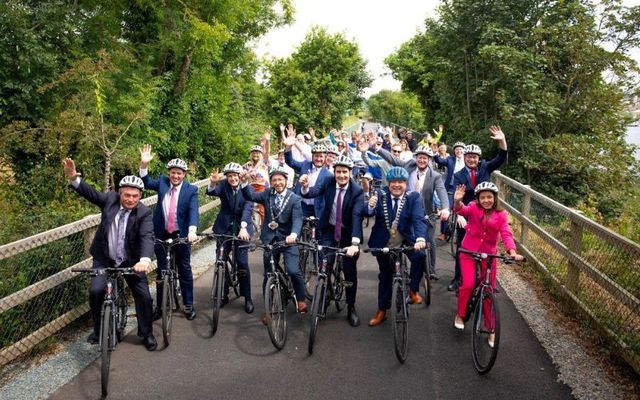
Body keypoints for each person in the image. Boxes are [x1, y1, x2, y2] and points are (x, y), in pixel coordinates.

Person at [63, 158, 157, 351]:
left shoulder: (144, 213)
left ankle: (146, 333)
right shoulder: (110, 200)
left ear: (140, 196)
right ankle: (99, 330)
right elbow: (90, 193)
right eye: (127, 195)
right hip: (104, 257)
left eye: (135, 196)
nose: (130, 199)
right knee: (96, 291)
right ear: (119, 193)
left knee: (144, 297)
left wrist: (145, 260)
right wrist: (74, 179)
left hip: (131, 261)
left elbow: (147, 237)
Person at [452, 182, 524, 346]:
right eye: (482, 197)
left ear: (495, 198)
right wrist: (457, 201)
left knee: (489, 290)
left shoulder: (502, 215)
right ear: (478, 199)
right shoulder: (473, 207)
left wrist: (512, 252)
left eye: (489, 197)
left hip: (489, 254)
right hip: (468, 251)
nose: (486, 200)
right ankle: (461, 314)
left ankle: (491, 328)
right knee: (468, 284)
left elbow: (506, 233)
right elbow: (461, 210)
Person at [300, 155, 364, 327]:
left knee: (350, 272)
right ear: (334, 172)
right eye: (338, 172)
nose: (341, 175)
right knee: (324, 264)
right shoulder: (328, 182)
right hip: (328, 229)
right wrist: (305, 187)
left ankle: (351, 307)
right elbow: (313, 192)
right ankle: (325, 293)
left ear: (350, 173)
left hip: (348, 234)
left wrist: (354, 244)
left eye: (345, 172)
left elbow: (357, 217)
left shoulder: (356, 191)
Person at [374, 143, 450, 287]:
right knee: (404, 240)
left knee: (429, 240)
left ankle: (431, 270)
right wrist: (377, 148)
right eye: (420, 157)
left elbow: (442, 192)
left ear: (429, 160)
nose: (422, 160)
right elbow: (393, 159)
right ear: (416, 158)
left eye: (425, 158)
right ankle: (399, 268)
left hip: (427, 213)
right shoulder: (408, 166)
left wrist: (445, 208)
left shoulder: (435, 176)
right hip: (407, 212)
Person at [138, 145, 198, 321]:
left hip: (181, 235)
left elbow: (193, 211)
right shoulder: (163, 182)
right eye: (173, 172)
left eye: (179, 173)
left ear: (184, 175)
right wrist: (143, 165)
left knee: (184, 269)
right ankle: (160, 305)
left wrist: (192, 230)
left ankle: (188, 304)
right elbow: (146, 182)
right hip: (161, 234)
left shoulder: (191, 190)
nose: (175, 176)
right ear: (169, 173)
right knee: (161, 272)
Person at [240, 166, 308, 321]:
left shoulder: (294, 198)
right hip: (270, 240)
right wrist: (244, 182)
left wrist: (294, 234)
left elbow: (298, 219)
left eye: (280, 180)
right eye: (274, 180)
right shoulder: (267, 194)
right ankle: (269, 309)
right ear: (270, 182)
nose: (277, 183)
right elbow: (250, 195)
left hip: (288, 240)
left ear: (286, 181)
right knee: (269, 274)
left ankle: (301, 298)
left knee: (292, 270)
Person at [449, 126, 509, 291]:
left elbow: (501, 158)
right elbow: (455, 196)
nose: (472, 160)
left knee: (487, 246)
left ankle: (486, 281)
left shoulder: (485, 167)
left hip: (485, 214)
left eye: (475, 157)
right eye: (469, 157)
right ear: (465, 158)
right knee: (462, 247)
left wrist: (502, 140)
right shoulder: (459, 175)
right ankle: (458, 278)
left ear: (478, 158)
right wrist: (458, 214)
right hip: (466, 213)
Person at [365, 167, 427, 327]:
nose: (397, 185)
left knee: (420, 256)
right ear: (388, 183)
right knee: (385, 276)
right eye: (393, 182)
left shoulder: (413, 197)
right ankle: (382, 311)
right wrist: (370, 206)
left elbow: (419, 218)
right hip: (383, 242)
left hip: (406, 239)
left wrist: (420, 238)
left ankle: (413, 290)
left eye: (400, 182)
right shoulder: (379, 194)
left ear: (406, 183)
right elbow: (367, 212)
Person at [206, 162, 255, 313]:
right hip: (224, 226)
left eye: (235, 176)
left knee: (242, 263)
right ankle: (223, 293)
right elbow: (211, 192)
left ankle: (247, 297)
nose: (233, 179)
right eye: (230, 176)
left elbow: (248, 208)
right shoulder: (223, 185)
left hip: (243, 228)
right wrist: (212, 183)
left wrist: (244, 226)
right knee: (220, 259)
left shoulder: (248, 189)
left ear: (241, 176)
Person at [284, 135, 332, 217]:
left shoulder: (328, 175)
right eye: (316, 156)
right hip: (301, 204)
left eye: (321, 156)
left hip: (318, 208)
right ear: (312, 156)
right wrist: (288, 147)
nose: (318, 159)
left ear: (325, 158)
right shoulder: (305, 165)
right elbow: (291, 162)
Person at [433, 141, 466, 241]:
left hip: (465, 188)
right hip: (451, 187)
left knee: (464, 211)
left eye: (460, 149)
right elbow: (440, 161)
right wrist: (435, 153)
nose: (459, 151)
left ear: (464, 151)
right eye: (457, 149)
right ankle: (443, 233)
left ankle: (461, 236)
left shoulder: (467, 160)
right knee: (446, 208)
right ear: (454, 151)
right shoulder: (450, 159)